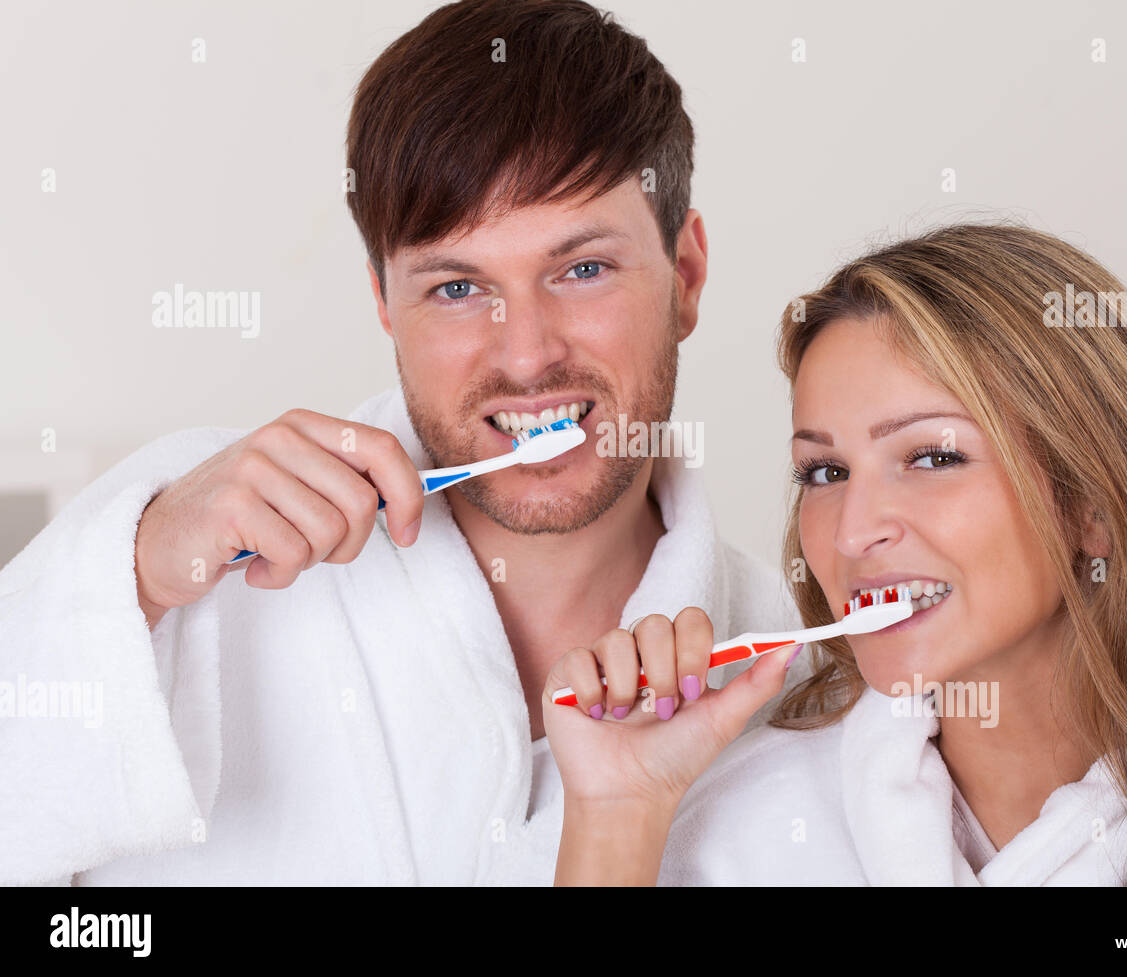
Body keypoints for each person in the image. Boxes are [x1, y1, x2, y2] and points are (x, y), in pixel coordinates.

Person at [0, 0, 807, 885]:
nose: (528, 351)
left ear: (685, 277)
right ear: (384, 302)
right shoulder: (187, 558)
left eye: (582, 269)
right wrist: (136, 580)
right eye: (457, 287)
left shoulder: (800, 676)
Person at [544, 222, 1127, 886]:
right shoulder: (739, 838)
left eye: (932, 458)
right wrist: (614, 821)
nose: (852, 532)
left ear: (1092, 508)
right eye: (826, 473)